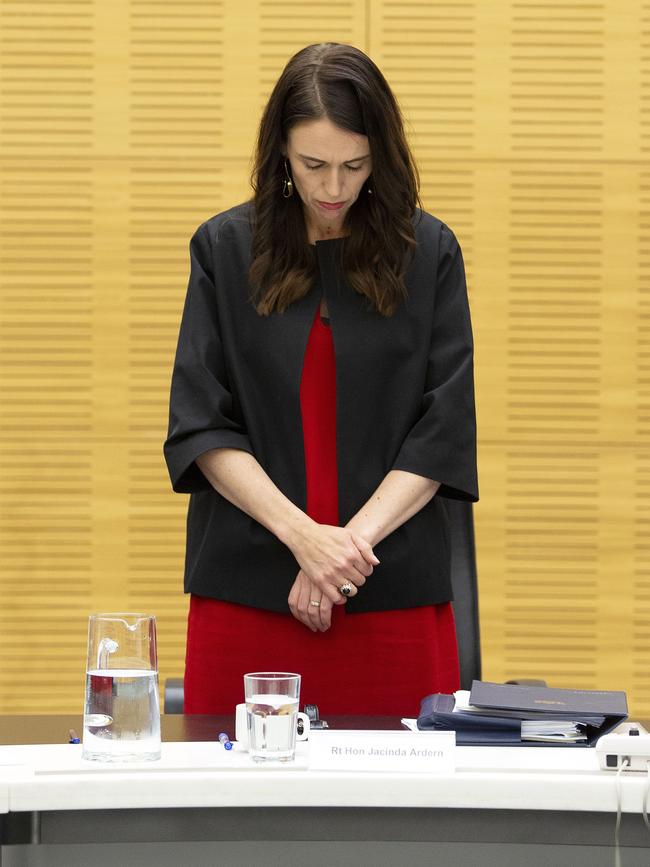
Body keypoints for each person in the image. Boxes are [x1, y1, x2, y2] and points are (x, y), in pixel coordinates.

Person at [163, 42, 478, 717]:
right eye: (313, 165)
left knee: (402, 815)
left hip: (389, 597)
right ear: (281, 152)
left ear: (380, 158)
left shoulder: (430, 256)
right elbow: (201, 424)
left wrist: (343, 552)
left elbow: (441, 430)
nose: (334, 188)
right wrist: (305, 539)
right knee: (233, 814)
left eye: (354, 166)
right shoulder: (224, 250)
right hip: (250, 595)